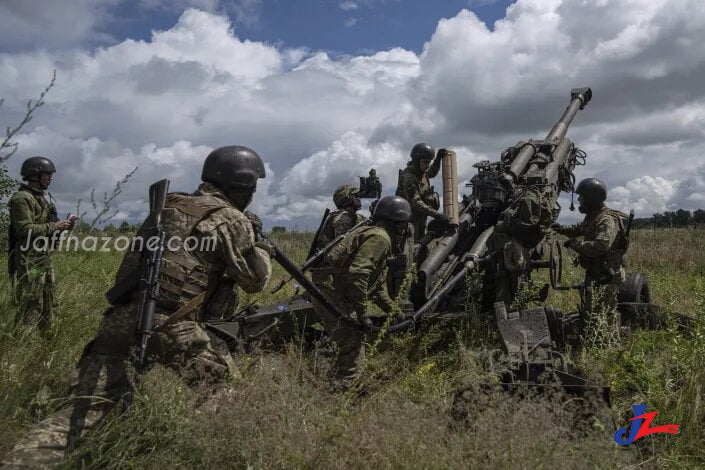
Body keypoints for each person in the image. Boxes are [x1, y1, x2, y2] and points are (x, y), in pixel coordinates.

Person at [1, 145, 273, 468]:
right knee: (227, 394)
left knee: (84, 409)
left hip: (120, 319)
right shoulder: (230, 218)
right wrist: (261, 245)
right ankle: (210, 457)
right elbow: (256, 281)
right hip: (175, 324)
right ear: (244, 187)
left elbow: (126, 274)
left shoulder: (167, 206)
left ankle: (21, 462)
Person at [309, 195, 411, 390]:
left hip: (328, 291)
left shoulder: (373, 233)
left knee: (351, 341)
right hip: (331, 293)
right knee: (353, 339)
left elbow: (377, 289)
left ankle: (340, 383)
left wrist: (398, 314)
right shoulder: (380, 239)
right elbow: (359, 273)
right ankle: (344, 390)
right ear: (399, 224)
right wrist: (362, 315)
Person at [7, 156, 77, 330]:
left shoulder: (41, 199)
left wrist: (65, 226)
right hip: (29, 260)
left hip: (42, 257)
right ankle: (25, 342)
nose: (51, 178)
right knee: (31, 301)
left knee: (49, 299)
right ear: (34, 174)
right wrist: (54, 225)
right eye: (47, 174)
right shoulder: (22, 198)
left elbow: (44, 227)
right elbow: (24, 229)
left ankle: (46, 337)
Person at [552, 178, 629, 318]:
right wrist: (562, 229)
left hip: (607, 276)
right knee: (593, 313)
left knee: (602, 316)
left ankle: (605, 340)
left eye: (582, 197)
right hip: (597, 273)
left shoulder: (606, 220)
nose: (579, 200)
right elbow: (580, 229)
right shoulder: (594, 217)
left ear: (591, 199)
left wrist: (575, 244)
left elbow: (600, 246)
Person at [395, 143, 450, 240]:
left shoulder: (421, 173)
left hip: (420, 218)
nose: (427, 166)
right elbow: (416, 202)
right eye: (425, 162)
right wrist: (436, 214)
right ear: (416, 161)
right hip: (409, 221)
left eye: (429, 162)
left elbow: (432, 172)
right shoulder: (409, 177)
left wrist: (438, 158)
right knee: (412, 248)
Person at [313, 184, 368, 253]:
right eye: (356, 196)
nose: (359, 199)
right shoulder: (343, 218)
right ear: (347, 199)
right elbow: (343, 248)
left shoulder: (349, 215)